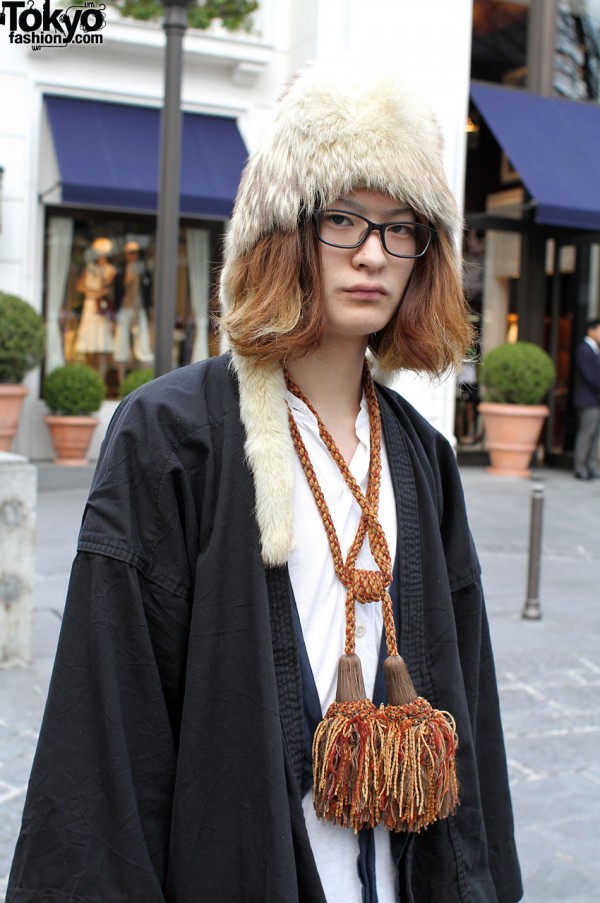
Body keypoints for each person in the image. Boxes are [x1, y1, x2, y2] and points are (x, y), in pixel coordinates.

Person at [7, 61, 522, 903]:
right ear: (284, 229)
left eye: (401, 227)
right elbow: (107, 728)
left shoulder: (423, 457)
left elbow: (474, 719)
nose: (373, 253)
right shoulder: (173, 436)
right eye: (343, 218)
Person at [112, 240, 154, 387]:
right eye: (130, 253)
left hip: (139, 309)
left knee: (143, 345)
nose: (133, 256)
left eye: (135, 253)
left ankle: (145, 383)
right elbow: (116, 292)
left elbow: (148, 292)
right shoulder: (121, 271)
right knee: (121, 345)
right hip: (124, 309)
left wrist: (150, 312)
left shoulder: (144, 270)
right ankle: (121, 385)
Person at [75, 236, 116, 377]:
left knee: (102, 345)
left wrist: (103, 273)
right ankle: (88, 377)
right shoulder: (89, 268)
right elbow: (80, 286)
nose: (101, 256)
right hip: (90, 307)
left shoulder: (110, 269)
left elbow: (108, 288)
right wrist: (95, 293)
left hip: (101, 309)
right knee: (88, 345)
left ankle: (100, 379)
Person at [573, 317, 600, 480]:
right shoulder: (584, 349)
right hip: (587, 399)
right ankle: (580, 467)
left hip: (595, 399)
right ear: (591, 330)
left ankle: (590, 466)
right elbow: (589, 375)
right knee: (586, 433)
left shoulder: (596, 350)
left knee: (595, 434)